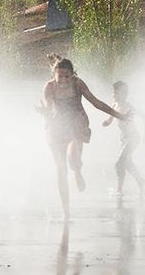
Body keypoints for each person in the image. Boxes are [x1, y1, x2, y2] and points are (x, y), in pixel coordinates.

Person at [36, 54, 128, 220]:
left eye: (67, 76)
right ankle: (66, 211)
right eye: (60, 76)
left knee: (72, 159)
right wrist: (44, 114)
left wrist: (119, 115)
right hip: (56, 127)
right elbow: (50, 113)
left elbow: (96, 102)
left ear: (72, 75)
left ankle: (77, 171)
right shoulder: (49, 88)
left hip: (76, 124)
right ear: (54, 75)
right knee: (60, 169)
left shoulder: (77, 84)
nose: (63, 79)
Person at [102, 81, 145, 198]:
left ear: (125, 94)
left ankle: (119, 190)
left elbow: (144, 117)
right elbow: (110, 119)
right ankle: (141, 181)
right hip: (124, 139)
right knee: (127, 163)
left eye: (117, 93)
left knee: (120, 162)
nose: (114, 95)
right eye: (113, 92)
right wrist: (106, 122)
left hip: (133, 138)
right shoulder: (115, 105)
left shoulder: (129, 106)